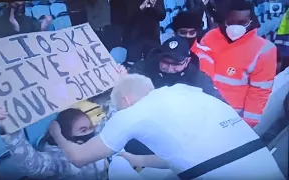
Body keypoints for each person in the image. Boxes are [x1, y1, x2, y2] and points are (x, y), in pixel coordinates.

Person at [49, 74, 285, 180]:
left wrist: (56, 132)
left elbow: (78, 157)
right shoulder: (188, 93)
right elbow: (191, 151)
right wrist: (137, 159)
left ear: (127, 102)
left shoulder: (132, 112)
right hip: (267, 166)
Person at [200, 0, 277, 127]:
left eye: (243, 23)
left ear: (251, 21)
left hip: (233, 118)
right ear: (224, 20)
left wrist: (247, 124)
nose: (236, 27)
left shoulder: (264, 50)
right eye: (231, 22)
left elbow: (259, 91)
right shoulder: (209, 38)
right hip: (205, 110)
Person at [0, 107, 108, 180]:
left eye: (90, 127)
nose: (90, 132)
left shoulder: (96, 140)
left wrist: (121, 85)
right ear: (65, 134)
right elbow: (32, 165)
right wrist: (9, 129)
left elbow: (111, 123)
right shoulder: (59, 161)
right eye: (83, 130)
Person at [110, 0, 165, 66]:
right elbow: (122, 19)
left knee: (154, 64)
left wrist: (154, 7)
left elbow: (162, 15)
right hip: (133, 39)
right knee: (134, 66)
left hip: (153, 37)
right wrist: (141, 7)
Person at [172, 10, 215, 77]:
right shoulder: (166, 53)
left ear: (196, 33)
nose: (187, 36)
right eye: (183, 32)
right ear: (175, 33)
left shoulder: (205, 55)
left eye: (191, 33)